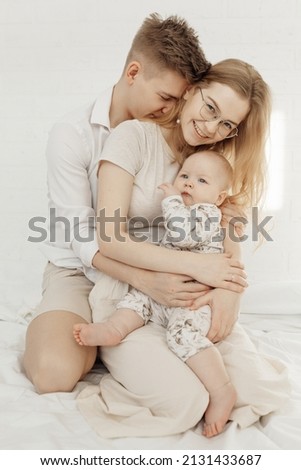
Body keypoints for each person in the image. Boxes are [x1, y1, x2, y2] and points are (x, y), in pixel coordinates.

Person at [74, 58, 289, 439]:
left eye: (227, 124)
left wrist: (227, 290)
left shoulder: (215, 160)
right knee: (185, 403)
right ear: (190, 90)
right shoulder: (134, 137)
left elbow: (227, 234)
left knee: (258, 394)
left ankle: (193, 367)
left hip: (194, 301)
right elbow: (109, 236)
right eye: (210, 108)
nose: (211, 128)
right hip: (135, 290)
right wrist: (198, 267)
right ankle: (127, 352)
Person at [23, 13, 212, 397]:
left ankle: (114, 339)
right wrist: (145, 281)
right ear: (133, 72)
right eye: (165, 97)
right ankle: (79, 331)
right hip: (80, 270)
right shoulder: (73, 135)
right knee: (52, 375)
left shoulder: (176, 136)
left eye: (180, 100)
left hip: (156, 266)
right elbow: (81, 237)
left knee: (196, 367)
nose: (172, 109)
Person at [73, 149, 237, 437]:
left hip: (193, 299)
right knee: (137, 299)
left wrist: (172, 200)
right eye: (184, 176)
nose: (188, 184)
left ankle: (221, 389)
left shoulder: (208, 213)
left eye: (201, 181)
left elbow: (183, 237)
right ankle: (114, 329)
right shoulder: (189, 209)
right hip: (165, 291)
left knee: (182, 334)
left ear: (219, 197)